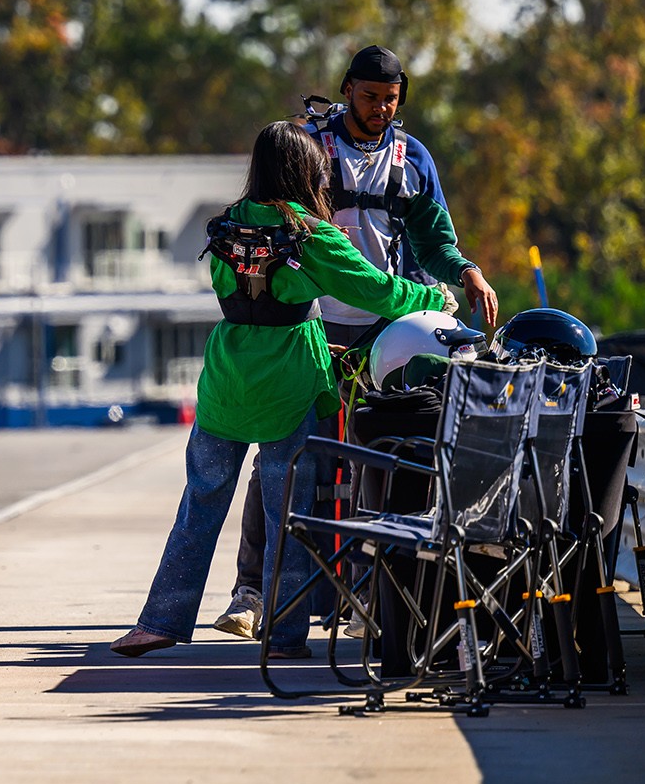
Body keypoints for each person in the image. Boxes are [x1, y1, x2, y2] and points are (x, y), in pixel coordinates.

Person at [111, 121, 446, 660]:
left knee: (199, 504)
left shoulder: (225, 225)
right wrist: (433, 297)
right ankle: (284, 634)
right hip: (289, 384)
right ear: (304, 171)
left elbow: (246, 300)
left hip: (226, 379)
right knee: (286, 512)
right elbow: (377, 292)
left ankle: (158, 622)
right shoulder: (310, 235)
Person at [214, 44, 499, 640]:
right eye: (370, 97)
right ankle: (252, 593)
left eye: (391, 99)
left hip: (385, 334)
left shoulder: (413, 159)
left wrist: (465, 270)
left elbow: (434, 243)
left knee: (382, 458)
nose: (380, 108)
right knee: (287, 457)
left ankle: (372, 593)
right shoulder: (310, 148)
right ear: (347, 89)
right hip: (308, 328)